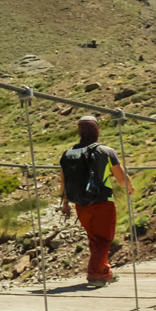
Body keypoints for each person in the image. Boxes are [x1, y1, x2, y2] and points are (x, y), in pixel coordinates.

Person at [59, 115, 133, 287]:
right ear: (97, 131)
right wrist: (129, 187)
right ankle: (95, 275)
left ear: (79, 131)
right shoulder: (106, 152)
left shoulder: (68, 154)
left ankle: (105, 272)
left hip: (80, 205)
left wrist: (65, 203)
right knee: (104, 240)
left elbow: (64, 181)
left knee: (95, 239)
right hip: (102, 202)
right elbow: (121, 179)